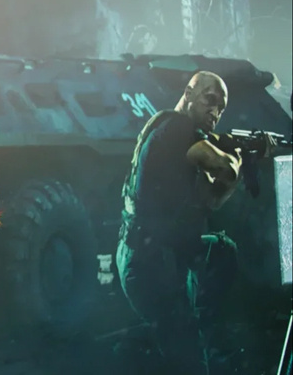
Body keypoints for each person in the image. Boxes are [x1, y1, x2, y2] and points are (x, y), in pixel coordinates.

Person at [115, 71, 276, 375]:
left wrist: (242, 157)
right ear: (188, 94)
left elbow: (212, 199)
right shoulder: (178, 128)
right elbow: (225, 168)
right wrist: (240, 155)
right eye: (209, 100)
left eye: (221, 109)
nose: (215, 112)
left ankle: (197, 326)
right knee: (189, 361)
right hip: (151, 265)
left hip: (148, 256)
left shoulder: (166, 128)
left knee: (223, 251)